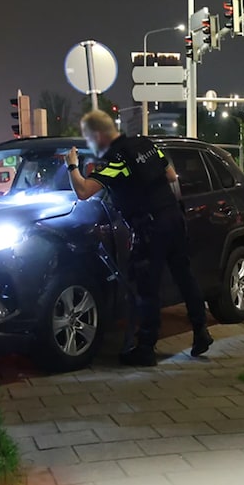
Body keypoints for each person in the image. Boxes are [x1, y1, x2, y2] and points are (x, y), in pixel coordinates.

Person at [65, 110, 212, 366]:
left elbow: (83, 191)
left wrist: (71, 165)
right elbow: (172, 176)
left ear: (98, 136)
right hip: (173, 219)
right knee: (184, 277)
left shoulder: (117, 160)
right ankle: (201, 331)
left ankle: (145, 349)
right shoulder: (146, 145)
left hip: (150, 227)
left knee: (147, 287)